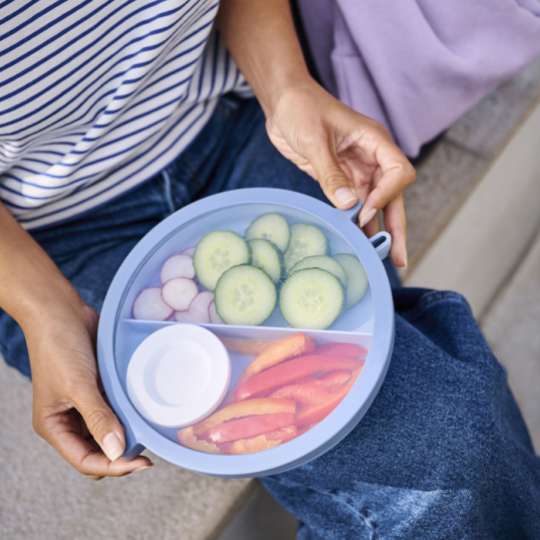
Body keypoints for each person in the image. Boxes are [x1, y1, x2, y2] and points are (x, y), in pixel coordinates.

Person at [1, 2, 538, 538]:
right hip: (46, 240)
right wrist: (42, 309)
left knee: (458, 439)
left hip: (229, 123)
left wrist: (286, 89)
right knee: (447, 462)